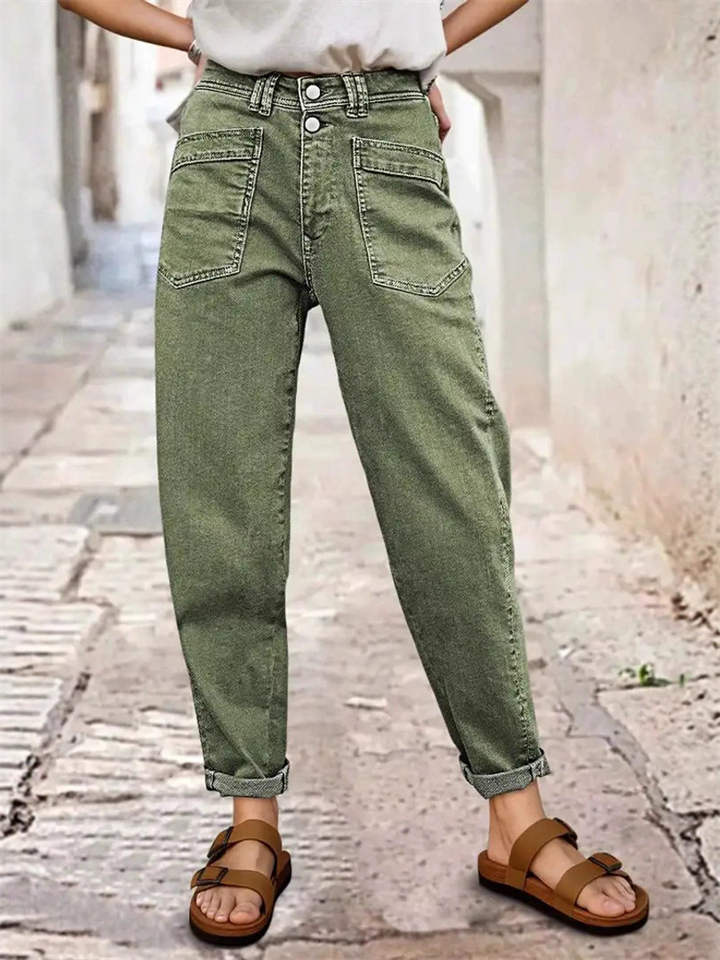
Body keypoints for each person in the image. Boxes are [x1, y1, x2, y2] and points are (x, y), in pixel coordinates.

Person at [58, 0, 648, 946]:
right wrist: (191, 35)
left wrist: (429, 42)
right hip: (229, 145)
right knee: (221, 490)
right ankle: (251, 817)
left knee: (448, 484)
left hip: (386, 135)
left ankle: (515, 815)